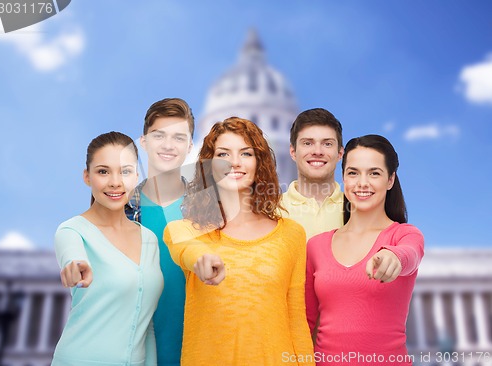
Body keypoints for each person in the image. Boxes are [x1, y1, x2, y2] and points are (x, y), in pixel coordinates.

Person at [164, 117, 315, 366]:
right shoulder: (184, 231)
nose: (235, 162)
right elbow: (188, 251)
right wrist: (202, 259)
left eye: (246, 153)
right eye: (223, 154)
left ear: (259, 163)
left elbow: (296, 319)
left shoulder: (291, 234)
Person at [305, 134, 424, 366]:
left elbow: (411, 254)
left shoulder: (404, 236)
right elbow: (306, 321)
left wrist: (393, 256)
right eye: (353, 172)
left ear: (390, 180)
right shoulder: (316, 246)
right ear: (343, 178)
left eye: (374, 173)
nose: (362, 183)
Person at [53, 131, 163, 366]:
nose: (115, 182)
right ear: (87, 176)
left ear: (136, 176)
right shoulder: (71, 231)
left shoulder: (150, 240)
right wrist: (75, 266)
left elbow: (146, 324)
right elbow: (72, 257)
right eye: (103, 171)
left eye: (125, 171)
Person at [125, 98, 195, 366]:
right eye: (159, 136)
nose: (168, 145)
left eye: (178, 137)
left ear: (189, 147)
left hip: (196, 351)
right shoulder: (121, 207)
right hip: (135, 353)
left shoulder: (209, 210)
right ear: (143, 141)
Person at [280, 108, 344, 240]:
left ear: (340, 154)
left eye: (327, 144)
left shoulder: (358, 209)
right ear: (293, 152)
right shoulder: (271, 211)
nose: (317, 151)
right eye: (308, 143)